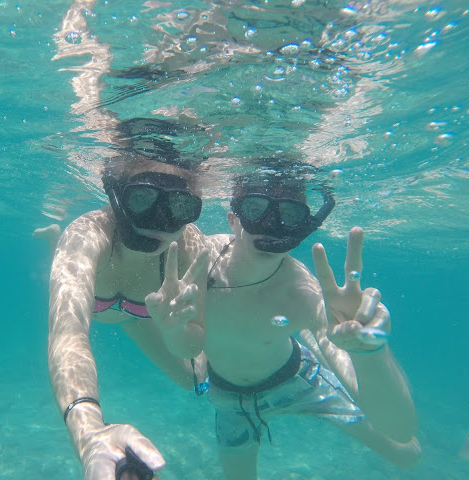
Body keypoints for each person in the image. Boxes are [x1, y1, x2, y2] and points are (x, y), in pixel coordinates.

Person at [147, 164, 421, 479]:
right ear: (233, 220)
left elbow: (399, 430)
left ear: (302, 226)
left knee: (407, 454)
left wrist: (369, 352)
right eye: (255, 208)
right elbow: (187, 345)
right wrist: (171, 331)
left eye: (289, 214)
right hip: (229, 400)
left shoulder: (300, 292)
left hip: (298, 379)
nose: (271, 225)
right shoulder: (199, 262)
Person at [47, 150, 211, 480]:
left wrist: (179, 335)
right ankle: (52, 240)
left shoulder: (190, 246)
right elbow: (68, 329)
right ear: (116, 193)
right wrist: (89, 432)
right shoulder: (88, 234)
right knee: (65, 252)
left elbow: (194, 344)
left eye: (180, 206)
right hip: (105, 306)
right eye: (142, 198)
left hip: (140, 319)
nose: (160, 222)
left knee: (194, 380)